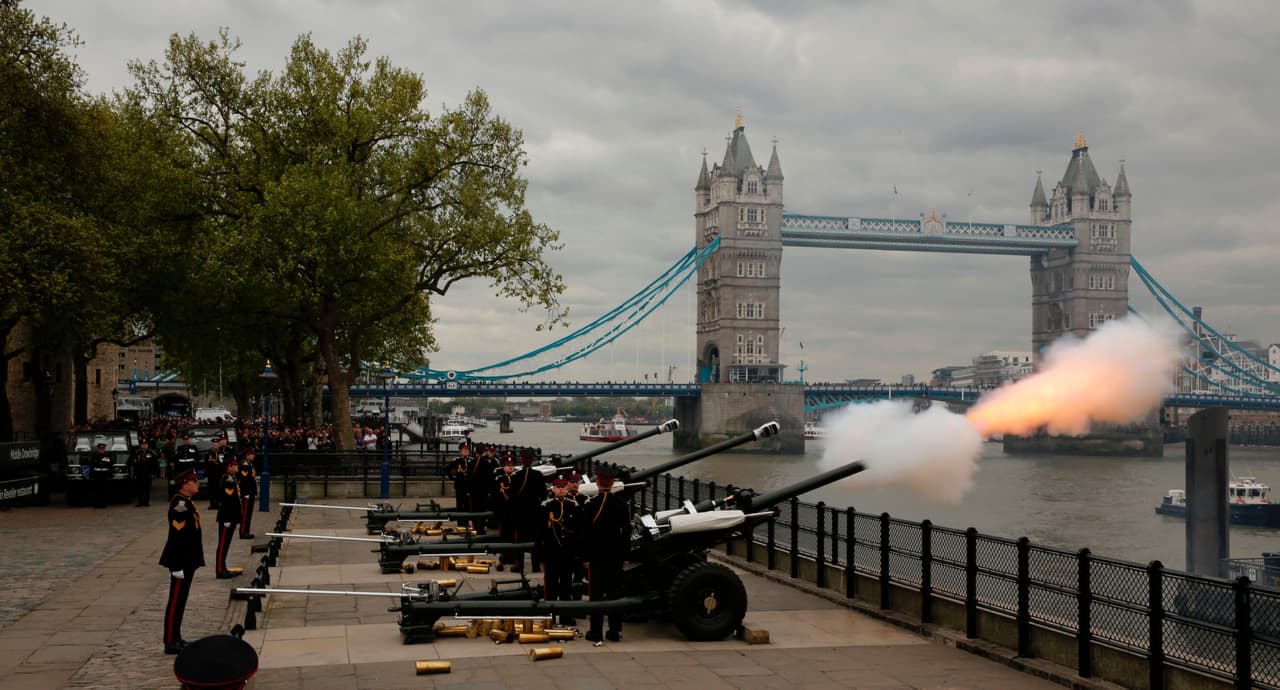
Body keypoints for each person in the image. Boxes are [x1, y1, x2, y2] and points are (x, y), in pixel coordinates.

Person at [578, 466, 631, 645]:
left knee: (596, 595)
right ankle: (615, 631)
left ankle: (596, 632)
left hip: (596, 556)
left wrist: (585, 557)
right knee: (615, 593)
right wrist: (625, 554)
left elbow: (585, 533)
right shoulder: (621, 504)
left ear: (597, 482)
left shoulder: (591, 504)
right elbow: (626, 532)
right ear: (613, 482)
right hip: (615, 555)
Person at [159, 469, 205, 654]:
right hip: (181, 561)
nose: (197, 484)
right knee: (175, 601)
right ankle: (170, 641)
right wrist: (176, 566)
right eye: (194, 482)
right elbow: (178, 537)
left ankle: (176, 637)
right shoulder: (180, 504)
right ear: (185, 485)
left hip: (188, 560)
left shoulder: (186, 502)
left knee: (181, 600)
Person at [538, 474, 579, 625]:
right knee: (550, 585)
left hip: (568, 552)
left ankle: (566, 615)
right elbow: (540, 531)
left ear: (567, 488)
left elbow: (577, 530)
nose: (561, 490)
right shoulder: (546, 506)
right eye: (558, 487)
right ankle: (550, 615)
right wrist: (540, 553)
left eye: (563, 487)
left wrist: (577, 552)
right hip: (551, 552)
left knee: (566, 586)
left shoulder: (573, 506)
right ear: (553, 489)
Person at [510, 451, 547, 574]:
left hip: (520, 513)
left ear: (522, 459)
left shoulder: (516, 476)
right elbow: (543, 495)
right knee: (535, 539)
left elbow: (512, 496)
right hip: (535, 512)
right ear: (532, 460)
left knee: (519, 540)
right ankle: (535, 565)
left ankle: (519, 565)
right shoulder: (539, 475)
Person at [213, 457, 243, 578]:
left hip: (231, 516)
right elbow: (227, 500)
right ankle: (220, 570)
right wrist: (227, 519)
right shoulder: (227, 479)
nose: (237, 467)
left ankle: (223, 567)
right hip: (227, 517)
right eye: (235, 465)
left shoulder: (232, 478)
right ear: (229, 467)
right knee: (223, 545)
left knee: (226, 544)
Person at [493, 453, 518, 571]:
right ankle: (504, 555)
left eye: (512, 465)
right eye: (508, 465)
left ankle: (512, 556)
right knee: (504, 534)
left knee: (513, 535)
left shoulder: (516, 479)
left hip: (513, 511)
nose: (510, 467)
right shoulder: (499, 479)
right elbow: (495, 496)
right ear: (503, 467)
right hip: (503, 511)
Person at [128, 438, 159, 507]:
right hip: (139, 473)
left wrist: (153, 473)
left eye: (145, 444)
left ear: (147, 445)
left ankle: (146, 502)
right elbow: (131, 462)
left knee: (147, 488)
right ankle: (140, 502)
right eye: (142, 444)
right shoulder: (137, 452)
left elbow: (155, 464)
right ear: (140, 445)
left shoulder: (151, 453)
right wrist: (135, 473)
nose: (144, 446)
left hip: (148, 473)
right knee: (139, 488)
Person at [236, 448, 258, 539]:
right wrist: (245, 492)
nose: (253, 456)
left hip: (250, 492)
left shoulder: (249, 464)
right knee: (245, 514)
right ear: (247, 455)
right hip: (247, 493)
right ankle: (243, 532)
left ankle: (247, 531)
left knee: (248, 513)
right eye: (251, 454)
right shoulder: (244, 465)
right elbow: (244, 480)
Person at [88, 441, 114, 509]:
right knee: (96, 490)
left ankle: (103, 504)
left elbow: (110, 466)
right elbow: (91, 466)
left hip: (105, 474)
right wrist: (91, 475)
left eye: (103, 448)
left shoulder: (108, 456)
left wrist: (110, 476)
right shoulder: (94, 456)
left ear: (104, 448)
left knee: (104, 490)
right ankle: (96, 504)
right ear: (98, 449)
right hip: (97, 474)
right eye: (100, 448)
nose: (101, 449)